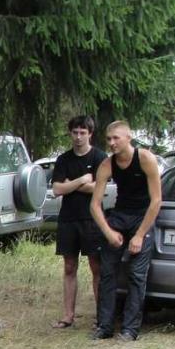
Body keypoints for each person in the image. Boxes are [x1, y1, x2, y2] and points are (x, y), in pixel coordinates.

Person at [90, 121, 163, 341]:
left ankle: (130, 329)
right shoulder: (107, 164)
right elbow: (94, 205)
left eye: (116, 138)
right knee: (107, 273)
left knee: (136, 275)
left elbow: (156, 201)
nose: (112, 143)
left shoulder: (145, 158)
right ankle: (104, 326)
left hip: (143, 217)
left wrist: (139, 235)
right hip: (119, 216)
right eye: (108, 139)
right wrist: (108, 232)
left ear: (128, 138)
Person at [50, 115, 106, 328]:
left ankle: (102, 316)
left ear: (90, 134)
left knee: (96, 266)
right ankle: (68, 315)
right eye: (75, 132)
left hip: (92, 218)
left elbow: (99, 188)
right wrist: (82, 180)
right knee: (69, 266)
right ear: (70, 133)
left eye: (83, 132)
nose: (78, 137)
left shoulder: (100, 157)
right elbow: (57, 189)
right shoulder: (63, 159)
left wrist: (70, 184)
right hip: (68, 219)